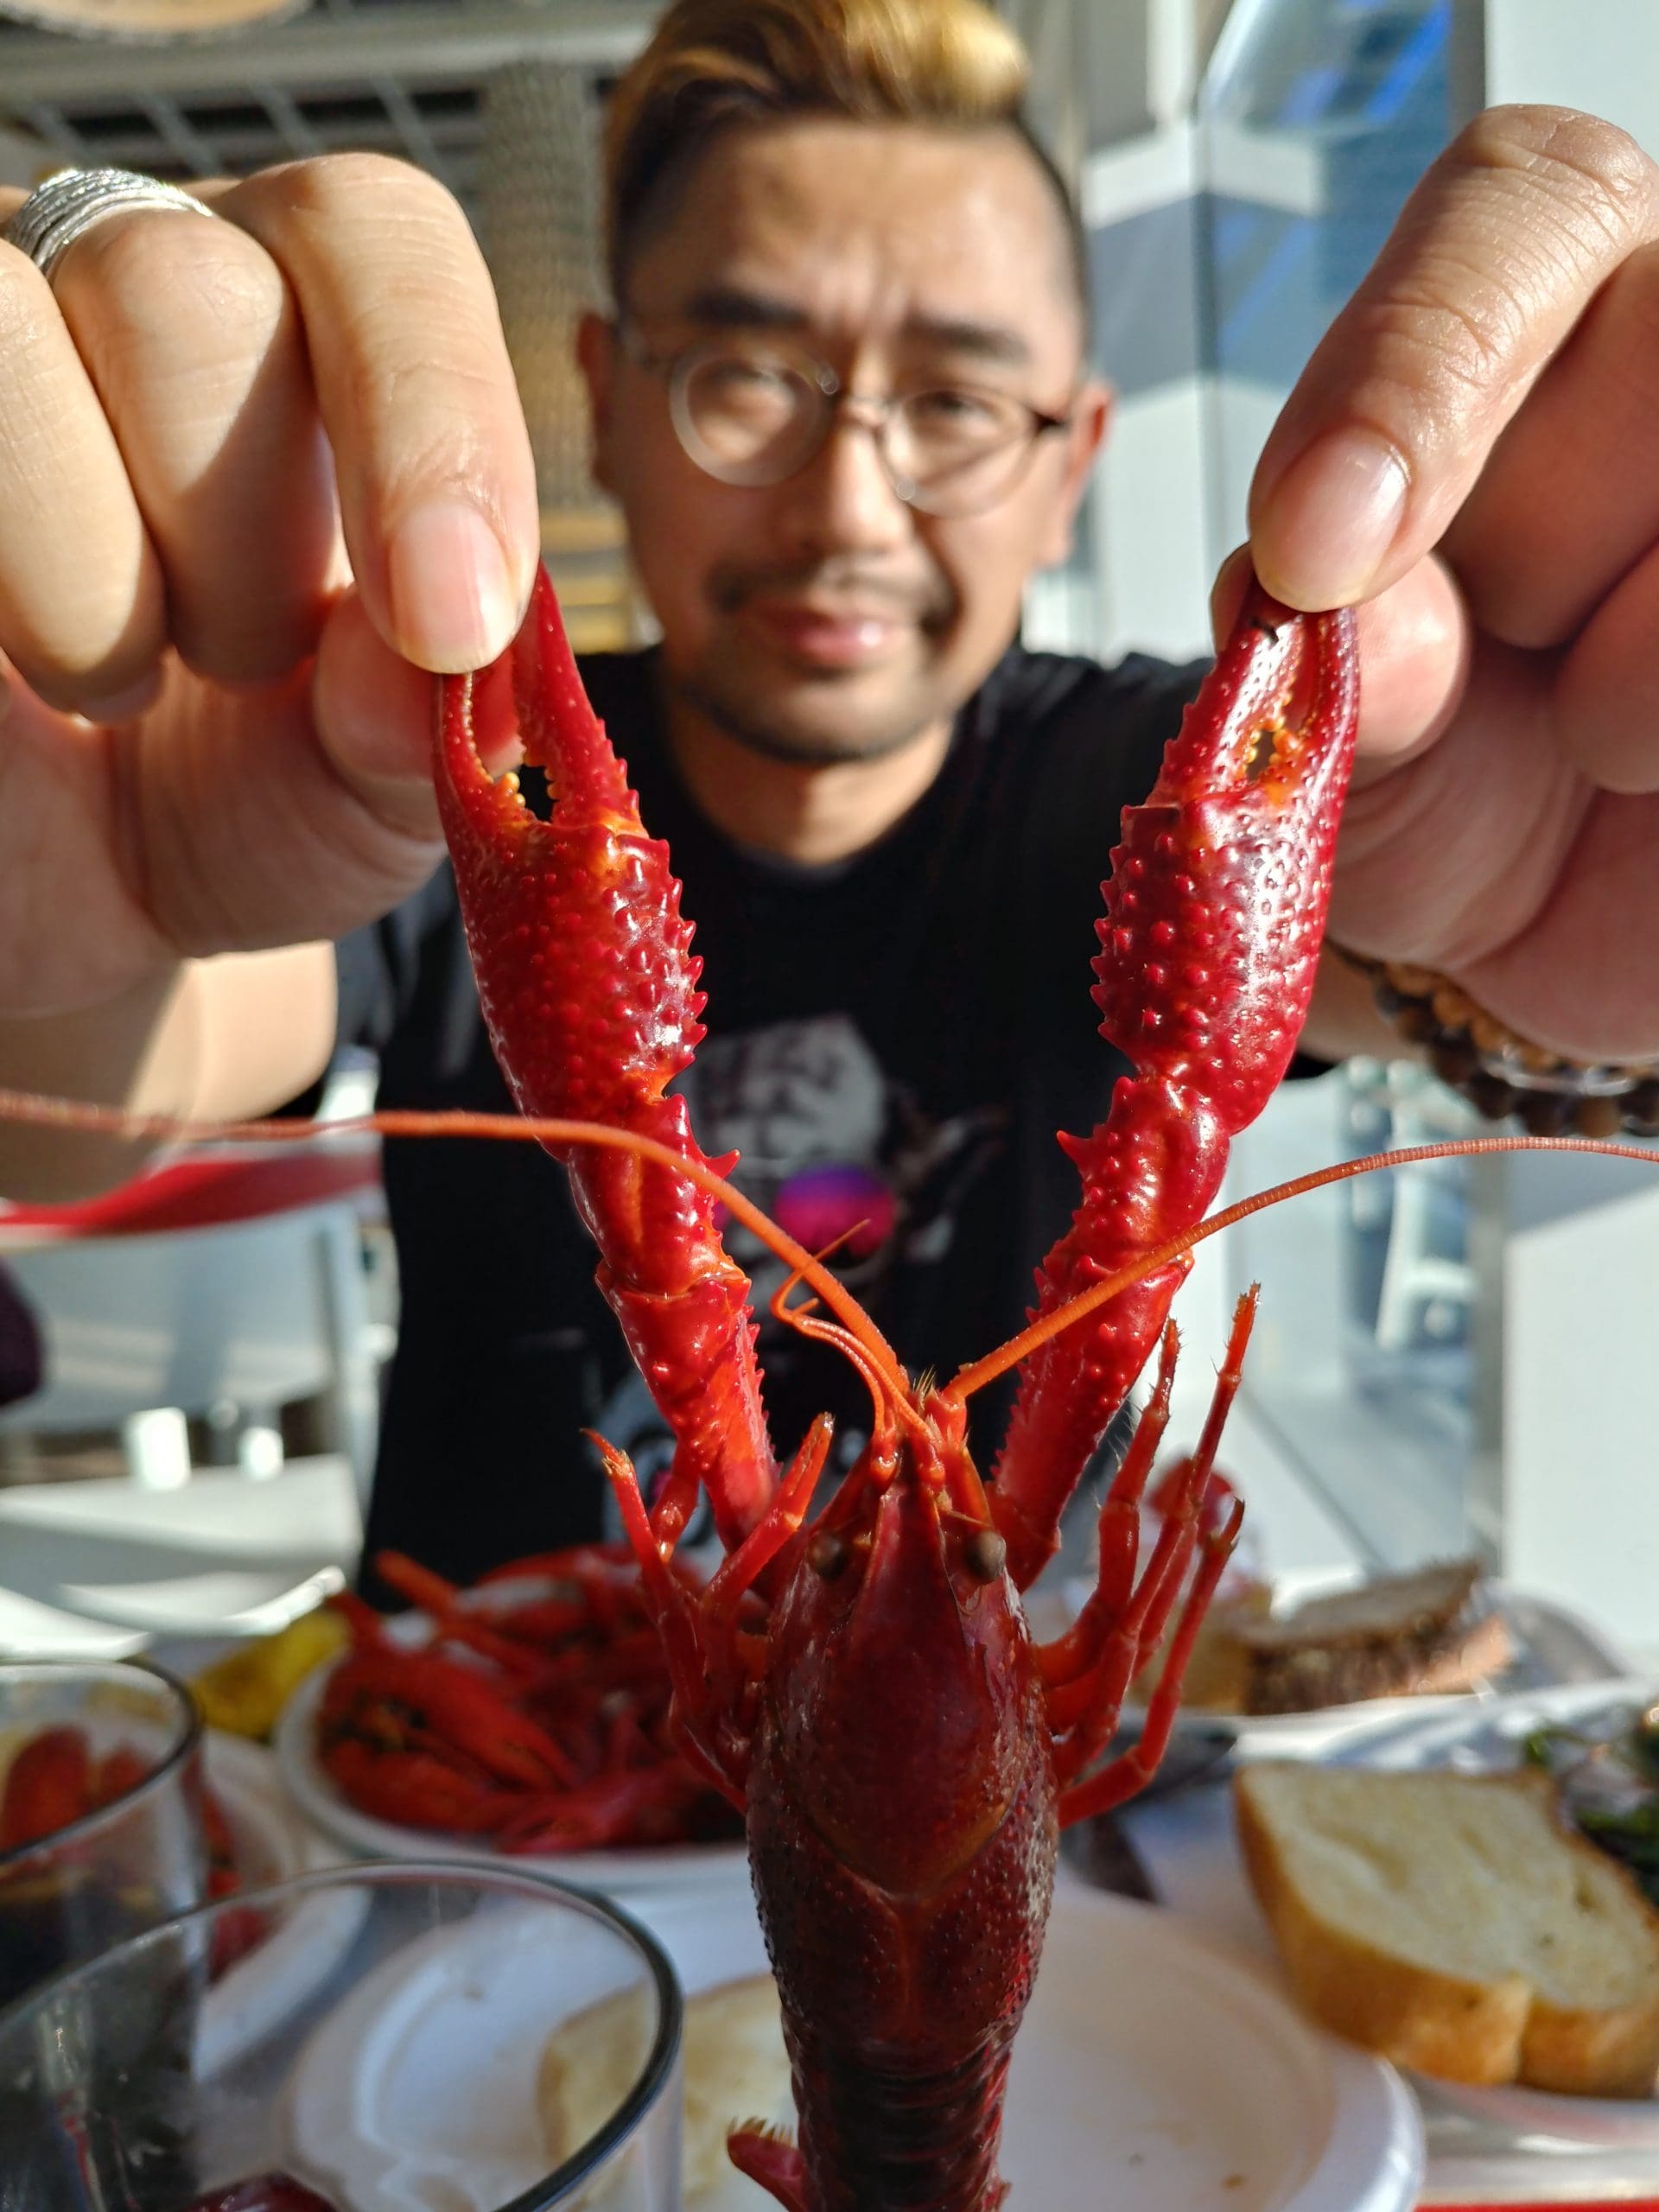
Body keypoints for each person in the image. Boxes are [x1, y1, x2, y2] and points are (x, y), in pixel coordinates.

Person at [2, 0, 1657, 1580]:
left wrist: (1566, 935)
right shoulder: (407, 784)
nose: (849, 504)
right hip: (479, 1826)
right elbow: (80, 1096)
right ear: (605, 401)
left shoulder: (1153, 789)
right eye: (749, 375)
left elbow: (1433, 959)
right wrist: (84, 890)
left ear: (1069, 464)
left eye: (952, 401)